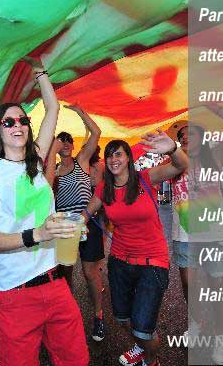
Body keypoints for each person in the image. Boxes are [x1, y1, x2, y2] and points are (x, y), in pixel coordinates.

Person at [0, 57, 89, 366]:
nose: (18, 125)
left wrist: (40, 72)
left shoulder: (37, 162)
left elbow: (52, 108)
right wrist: (38, 234)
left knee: (76, 360)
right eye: (9, 122)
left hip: (55, 282)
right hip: (16, 291)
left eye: (23, 120)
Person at [84, 133, 188, 366]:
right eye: (109, 155)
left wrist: (172, 148)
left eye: (118, 153)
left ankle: (151, 360)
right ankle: (141, 347)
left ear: (129, 158)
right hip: (120, 261)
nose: (113, 159)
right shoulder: (103, 189)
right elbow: (86, 214)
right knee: (122, 319)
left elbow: (181, 164)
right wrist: (66, 225)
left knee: (143, 327)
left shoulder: (145, 178)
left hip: (152, 262)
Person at [166, 104, 223, 365]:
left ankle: (221, 341)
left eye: (193, 133)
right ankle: (196, 322)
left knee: (216, 289)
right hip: (185, 236)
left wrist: (212, 106)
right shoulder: (174, 163)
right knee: (190, 286)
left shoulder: (216, 156)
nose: (186, 138)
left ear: (203, 137)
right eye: (182, 136)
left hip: (215, 235)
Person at [45, 105, 106, 342]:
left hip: (87, 222)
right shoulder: (55, 171)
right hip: (65, 228)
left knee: (90, 273)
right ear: (58, 148)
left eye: (69, 139)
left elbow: (96, 132)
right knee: (65, 274)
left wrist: (80, 111)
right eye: (62, 141)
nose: (67, 143)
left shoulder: (82, 159)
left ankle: (98, 316)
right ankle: (68, 316)